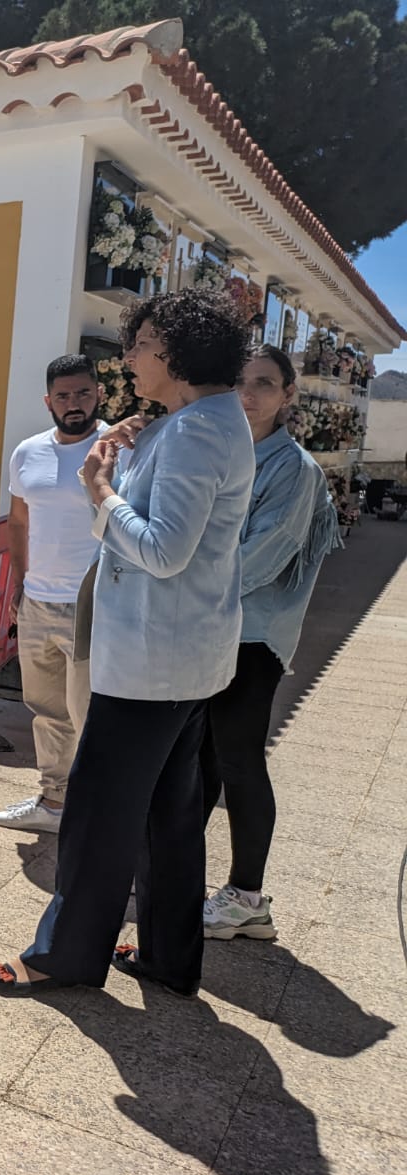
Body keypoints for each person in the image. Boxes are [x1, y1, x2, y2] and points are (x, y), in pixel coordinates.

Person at [0, 288, 254, 999]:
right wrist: (118, 458)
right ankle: (167, 957)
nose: (128, 358)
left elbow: (161, 550)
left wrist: (99, 488)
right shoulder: (203, 421)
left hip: (150, 664)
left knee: (98, 817)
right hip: (182, 659)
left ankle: (62, 957)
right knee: (169, 816)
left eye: (141, 344)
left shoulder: (194, 432)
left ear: (178, 352)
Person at [201, 345, 340, 940]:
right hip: (209, 626)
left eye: (263, 383)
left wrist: (184, 586)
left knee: (238, 758)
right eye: (239, 381)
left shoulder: (294, 469)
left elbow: (262, 556)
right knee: (201, 755)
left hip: (253, 636)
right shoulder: (225, 455)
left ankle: (247, 896)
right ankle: (178, 870)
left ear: (288, 395)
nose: (248, 394)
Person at [0, 355, 107, 834]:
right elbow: (19, 523)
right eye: (63, 396)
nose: (73, 403)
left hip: (93, 604)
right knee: (46, 711)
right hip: (37, 602)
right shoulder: (27, 453)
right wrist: (20, 584)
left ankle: (97, 812)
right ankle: (55, 802)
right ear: (48, 401)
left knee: (92, 714)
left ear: (99, 394)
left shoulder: (117, 449)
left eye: (82, 393)